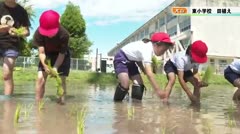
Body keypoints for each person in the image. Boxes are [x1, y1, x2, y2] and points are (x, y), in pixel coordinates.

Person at [113, 32, 174, 101]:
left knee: (139, 84)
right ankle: (117, 104)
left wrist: (143, 69)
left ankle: (136, 106)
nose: (163, 52)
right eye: (163, 50)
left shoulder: (148, 47)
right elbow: (149, 74)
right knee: (125, 84)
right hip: (121, 58)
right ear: (157, 44)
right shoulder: (147, 49)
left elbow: (138, 58)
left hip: (132, 62)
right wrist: (158, 91)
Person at [33, 10, 70, 104]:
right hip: (47, 54)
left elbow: (62, 54)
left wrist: (55, 68)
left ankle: (61, 104)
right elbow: (41, 52)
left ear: (58, 24)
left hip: (61, 55)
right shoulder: (38, 33)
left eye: (51, 32)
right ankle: (38, 103)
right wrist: (45, 66)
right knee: (40, 78)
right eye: (46, 32)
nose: (49, 35)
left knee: (61, 79)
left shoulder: (64, 34)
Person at [0, 0, 30, 98]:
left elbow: (27, 31)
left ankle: (7, 103)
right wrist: (3, 27)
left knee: (7, 74)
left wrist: (18, 32)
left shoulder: (22, 11)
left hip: (12, 44)